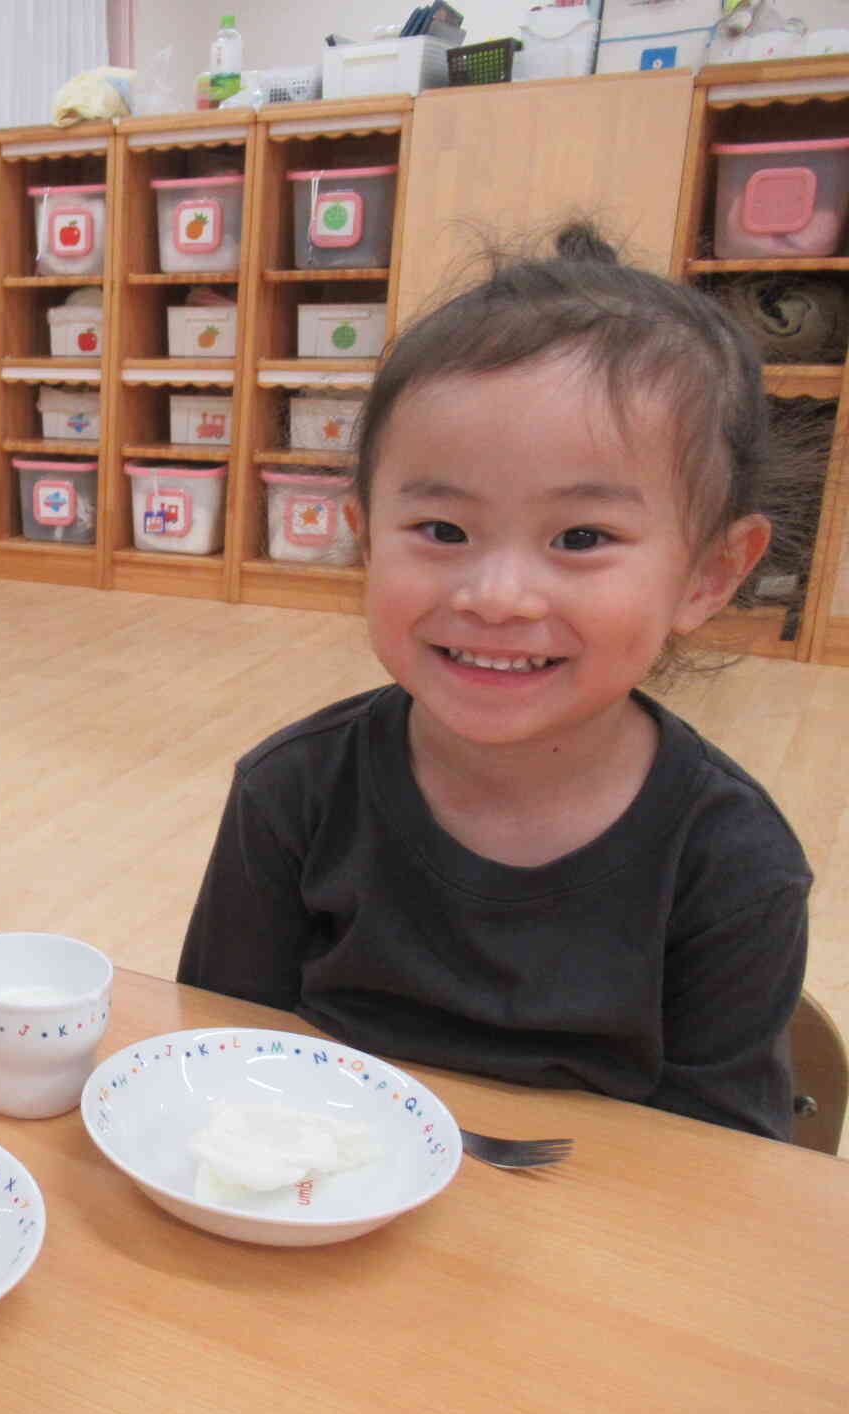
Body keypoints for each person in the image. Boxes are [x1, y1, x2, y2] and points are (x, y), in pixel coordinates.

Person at [178, 225, 812, 1141]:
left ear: (711, 574)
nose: (497, 597)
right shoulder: (291, 791)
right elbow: (212, 1060)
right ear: (365, 537)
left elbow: (723, 1168)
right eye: (442, 531)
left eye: (581, 539)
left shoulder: (732, 862)